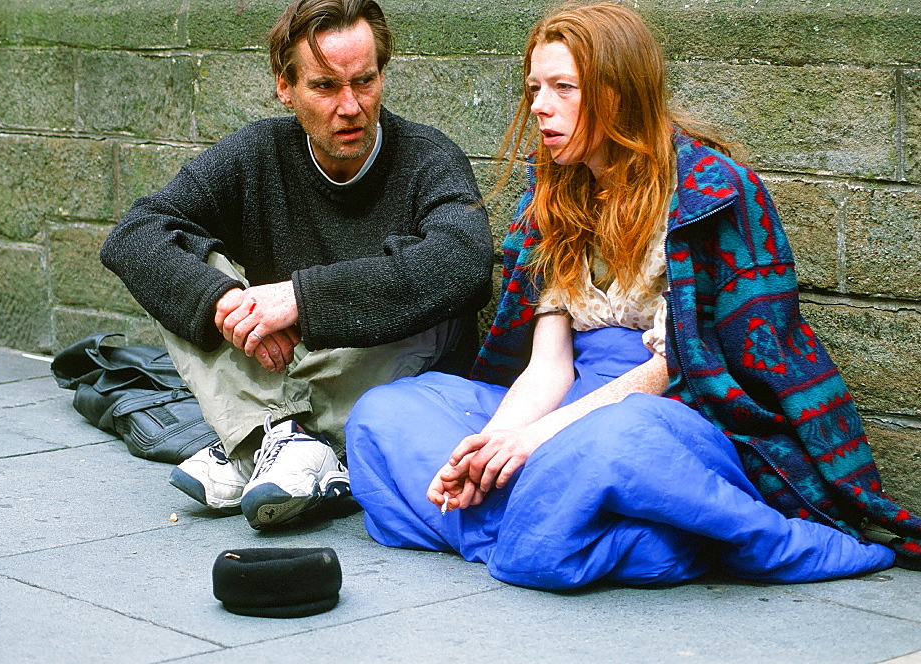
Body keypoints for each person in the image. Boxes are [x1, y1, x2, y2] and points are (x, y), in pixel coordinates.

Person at [345, 1, 921, 590]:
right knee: (383, 415)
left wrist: (532, 442)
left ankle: (769, 541)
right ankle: (547, 528)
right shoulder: (553, 201)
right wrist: (494, 447)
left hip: (667, 418)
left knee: (613, 445)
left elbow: (676, 370)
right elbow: (549, 366)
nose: (540, 105)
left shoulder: (709, 196)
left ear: (618, 93)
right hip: (569, 408)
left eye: (563, 88)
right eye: (535, 87)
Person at [100, 0, 493, 531]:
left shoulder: (427, 157)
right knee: (188, 274)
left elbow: (465, 262)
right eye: (325, 87)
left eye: (365, 81)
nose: (351, 106)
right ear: (285, 88)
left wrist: (300, 300)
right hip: (289, 361)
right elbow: (134, 233)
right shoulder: (258, 153)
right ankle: (285, 444)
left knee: (429, 284)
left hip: (379, 373)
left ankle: (258, 441)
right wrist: (223, 303)